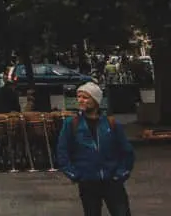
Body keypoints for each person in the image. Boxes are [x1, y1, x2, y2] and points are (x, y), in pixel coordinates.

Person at [56, 82, 134, 216]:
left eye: (85, 97)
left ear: (96, 100)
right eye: (79, 96)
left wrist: (121, 173)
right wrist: (75, 174)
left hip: (112, 181)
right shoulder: (71, 124)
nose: (80, 100)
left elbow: (126, 151)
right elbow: (62, 152)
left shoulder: (111, 123)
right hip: (88, 182)